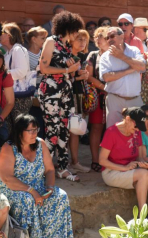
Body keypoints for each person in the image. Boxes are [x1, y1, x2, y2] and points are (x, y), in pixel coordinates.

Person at [0, 114, 74, 238]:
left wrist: (50, 188)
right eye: (30, 130)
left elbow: (50, 170)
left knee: (60, 196)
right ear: (20, 132)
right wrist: (31, 191)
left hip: (36, 185)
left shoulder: (40, 143)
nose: (34, 133)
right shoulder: (8, 148)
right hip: (12, 188)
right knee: (27, 200)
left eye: (36, 130)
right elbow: (7, 178)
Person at [38, 11, 84, 182]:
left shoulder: (66, 46)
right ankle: (47, 170)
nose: (77, 34)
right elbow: (44, 69)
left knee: (64, 129)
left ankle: (63, 168)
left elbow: (68, 72)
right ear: (68, 28)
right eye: (75, 31)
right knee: (52, 130)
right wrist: (67, 70)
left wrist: (77, 74)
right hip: (50, 92)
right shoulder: (51, 42)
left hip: (65, 91)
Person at [99, 107, 148, 214]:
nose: (137, 130)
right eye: (136, 127)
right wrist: (124, 168)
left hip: (130, 168)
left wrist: (143, 163)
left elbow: (139, 157)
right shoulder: (111, 132)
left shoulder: (136, 131)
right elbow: (102, 161)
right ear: (127, 119)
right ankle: (142, 215)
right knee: (143, 174)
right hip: (112, 171)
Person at [99, 27, 146, 128]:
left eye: (112, 36)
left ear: (122, 36)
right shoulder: (105, 56)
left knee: (136, 132)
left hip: (135, 100)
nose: (109, 39)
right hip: (114, 100)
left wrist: (122, 56)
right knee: (113, 132)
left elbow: (142, 67)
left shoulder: (134, 51)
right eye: (107, 38)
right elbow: (106, 77)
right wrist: (130, 70)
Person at [1, 22, 32, 133]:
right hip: (12, 95)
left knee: (20, 128)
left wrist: (3, 75)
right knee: (11, 129)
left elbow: (21, 71)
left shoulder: (18, 49)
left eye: (2, 32)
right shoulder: (8, 52)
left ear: (9, 35)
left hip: (20, 97)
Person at [86, 26, 109, 172]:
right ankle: (95, 160)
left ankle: (111, 160)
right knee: (96, 128)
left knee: (113, 128)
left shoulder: (116, 54)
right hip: (98, 96)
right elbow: (88, 76)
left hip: (115, 96)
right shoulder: (93, 56)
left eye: (103, 36)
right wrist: (104, 88)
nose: (99, 39)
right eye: (97, 37)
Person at [68, 29, 91, 175]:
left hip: (79, 95)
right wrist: (78, 78)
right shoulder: (66, 56)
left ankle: (75, 162)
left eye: (84, 40)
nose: (82, 42)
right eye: (79, 39)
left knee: (75, 129)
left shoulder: (82, 56)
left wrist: (85, 75)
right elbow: (61, 78)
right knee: (65, 130)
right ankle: (62, 163)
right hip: (66, 96)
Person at [26, 26, 48, 140]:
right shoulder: (25, 54)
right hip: (30, 93)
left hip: (44, 92)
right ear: (34, 39)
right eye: (42, 38)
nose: (45, 41)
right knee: (33, 120)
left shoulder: (45, 53)